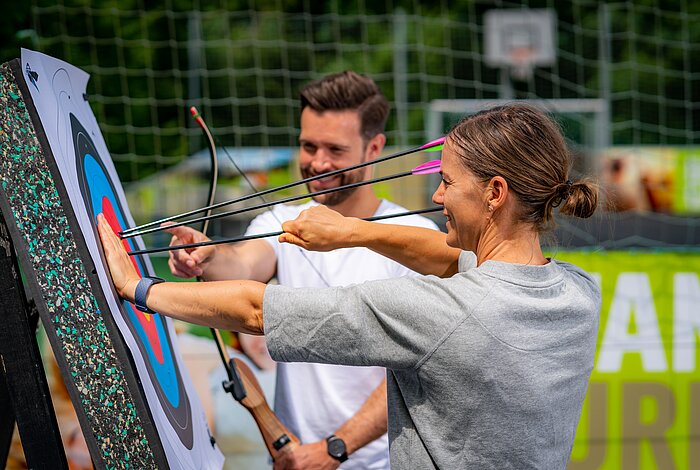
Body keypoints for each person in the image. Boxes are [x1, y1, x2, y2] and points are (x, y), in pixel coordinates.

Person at [98, 103, 602, 469]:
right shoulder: (579, 291)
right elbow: (458, 260)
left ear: (495, 194)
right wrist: (351, 233)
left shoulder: (445, 312)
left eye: (448, 181)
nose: (436, 193)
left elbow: (257, 310)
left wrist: (137, 287)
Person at [163, 70, 438, 469]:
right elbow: (241, 265)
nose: (318, 163)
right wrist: (206, 255)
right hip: (293, 459)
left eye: (335, 150)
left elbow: (415, 369)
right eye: (308, 146)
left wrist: (333, 448)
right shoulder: (282, 220)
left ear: (374, 147)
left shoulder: (413, 237)